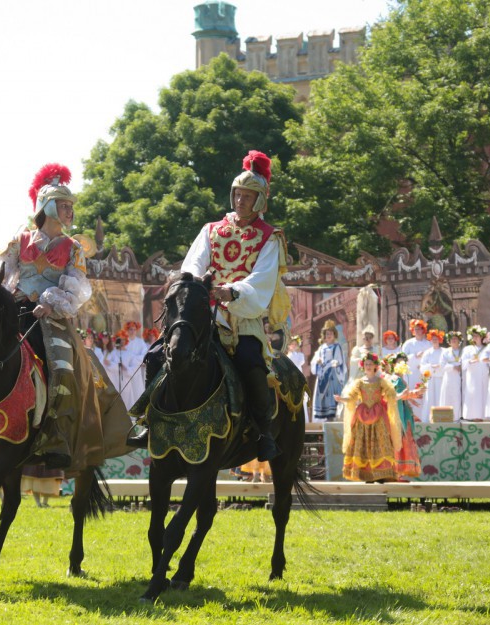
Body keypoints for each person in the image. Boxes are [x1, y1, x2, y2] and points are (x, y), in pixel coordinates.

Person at [130, 150, 290, 462]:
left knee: (251, 363)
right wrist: (193, 283)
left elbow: (262, 281)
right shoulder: (211, 229)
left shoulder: (271, 238)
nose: (240, 201)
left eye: (247, 196)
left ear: (259, 200)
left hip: (242, 321)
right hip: (204, 317)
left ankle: (262, 432)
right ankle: (150, 420)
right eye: (238, 194)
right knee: (156, 355)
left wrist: (229, 292)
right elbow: (193, 262)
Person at [0, 163, 128, 470]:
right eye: (63, 206)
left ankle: (58, 434)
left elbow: (78, 288)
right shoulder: (20, 240)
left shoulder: (73, 249)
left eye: (71, 207)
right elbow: (2, 270)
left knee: (64, 367)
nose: (69, 212)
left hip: (54, 318)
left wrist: (49, 302)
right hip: (17, 311)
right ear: (46, 206)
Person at [336, 352, 407, 482]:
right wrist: (342, 399)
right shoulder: (359, 382)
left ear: (375, 366)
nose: (368, 366)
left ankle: (381, 474)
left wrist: (402, 395)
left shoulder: (381, 382)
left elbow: (391, 396)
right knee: (362, 443)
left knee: (381, 442)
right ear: (363, 366)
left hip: (378, 417)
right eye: (366, 364)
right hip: (362, 417)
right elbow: (352, 397)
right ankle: (366, 474)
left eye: (370, 364)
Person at [384, 352, 423, 479]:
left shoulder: (398, 379)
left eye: (403, 362)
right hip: (397, 414)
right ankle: (395, 473)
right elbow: (396, 396)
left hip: (402, 411)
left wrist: (412, 397)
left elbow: (403, 395)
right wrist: (413, 394)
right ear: (393, 365)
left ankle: (397, 473)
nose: (402, 365)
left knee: (401, 441)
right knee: (398, 441)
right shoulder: (394, 379)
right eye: (399, 362)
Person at [311, 320, 346, 423]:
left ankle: (332, 416)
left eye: (331, 333)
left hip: (332, 375)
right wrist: (318, 361)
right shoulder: (322, 347)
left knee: (332, 395)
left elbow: (339, 360)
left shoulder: (337, 346)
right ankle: (326, 417)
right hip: (322, 375)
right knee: (323, 396)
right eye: (327, 334)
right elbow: (316, 359)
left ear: (334, 334)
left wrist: (333, 363)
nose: (329, 335)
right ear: (324, 335)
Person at [401, 319, 430, 422]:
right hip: (411, 373)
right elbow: (402, 359)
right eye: (415, 329)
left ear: (423, 330)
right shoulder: (408, 344)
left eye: (419, 329)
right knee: (413, 392)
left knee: (423, 393)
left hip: (423, 374)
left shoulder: (428, 344)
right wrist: (414, 356)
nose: (417, 331)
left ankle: (424, 416)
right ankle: (412, 416)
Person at [461, 325, 489, 421]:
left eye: (477, 335)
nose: (475, 337)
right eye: (473, 336)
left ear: (482, 337)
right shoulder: (468, 349)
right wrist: (470, 361)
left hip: (484, 376)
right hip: (472, 376)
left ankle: (483, 417)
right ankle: (473, 417)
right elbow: (462, 362)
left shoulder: (487, 348)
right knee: (473, 394)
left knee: (483, 394)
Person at [119, 322, 148, 409]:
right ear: (127, 330)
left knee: (138, 390)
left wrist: (133, 359)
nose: (132, 331)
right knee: (127, 392)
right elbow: (120, 354)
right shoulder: (125, 341)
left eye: (134, 329)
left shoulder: (140, 342)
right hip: (125, 370)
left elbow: (144, 354)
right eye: (130, 329)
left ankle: (139, 410)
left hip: (136, 371)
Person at [419, 329, 445, 424]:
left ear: (440, 340)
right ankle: (427, 419)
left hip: (440, 378)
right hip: (430, 379)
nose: (435, 340)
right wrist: (431, 366)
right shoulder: (427, 352)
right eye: (433, 339)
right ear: (430, 340)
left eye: (436, 339)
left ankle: (441, 418)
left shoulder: (444, 351)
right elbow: (422, 366)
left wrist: (439, 367)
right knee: (429, 398)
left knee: (440, 397)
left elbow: (445, 364)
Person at [438, 331, 464, 421]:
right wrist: (453, 367)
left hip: (460, 378)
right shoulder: (446, 352)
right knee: (448, 396)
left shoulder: (463, 351)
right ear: (449, 341)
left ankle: (457, 417)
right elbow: (441, 365)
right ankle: (446, 417)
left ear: (459, 341)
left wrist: (461, 367)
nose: (453, 340)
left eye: (455, 339)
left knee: (458, 396)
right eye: (452, 339)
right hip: (449, 378)